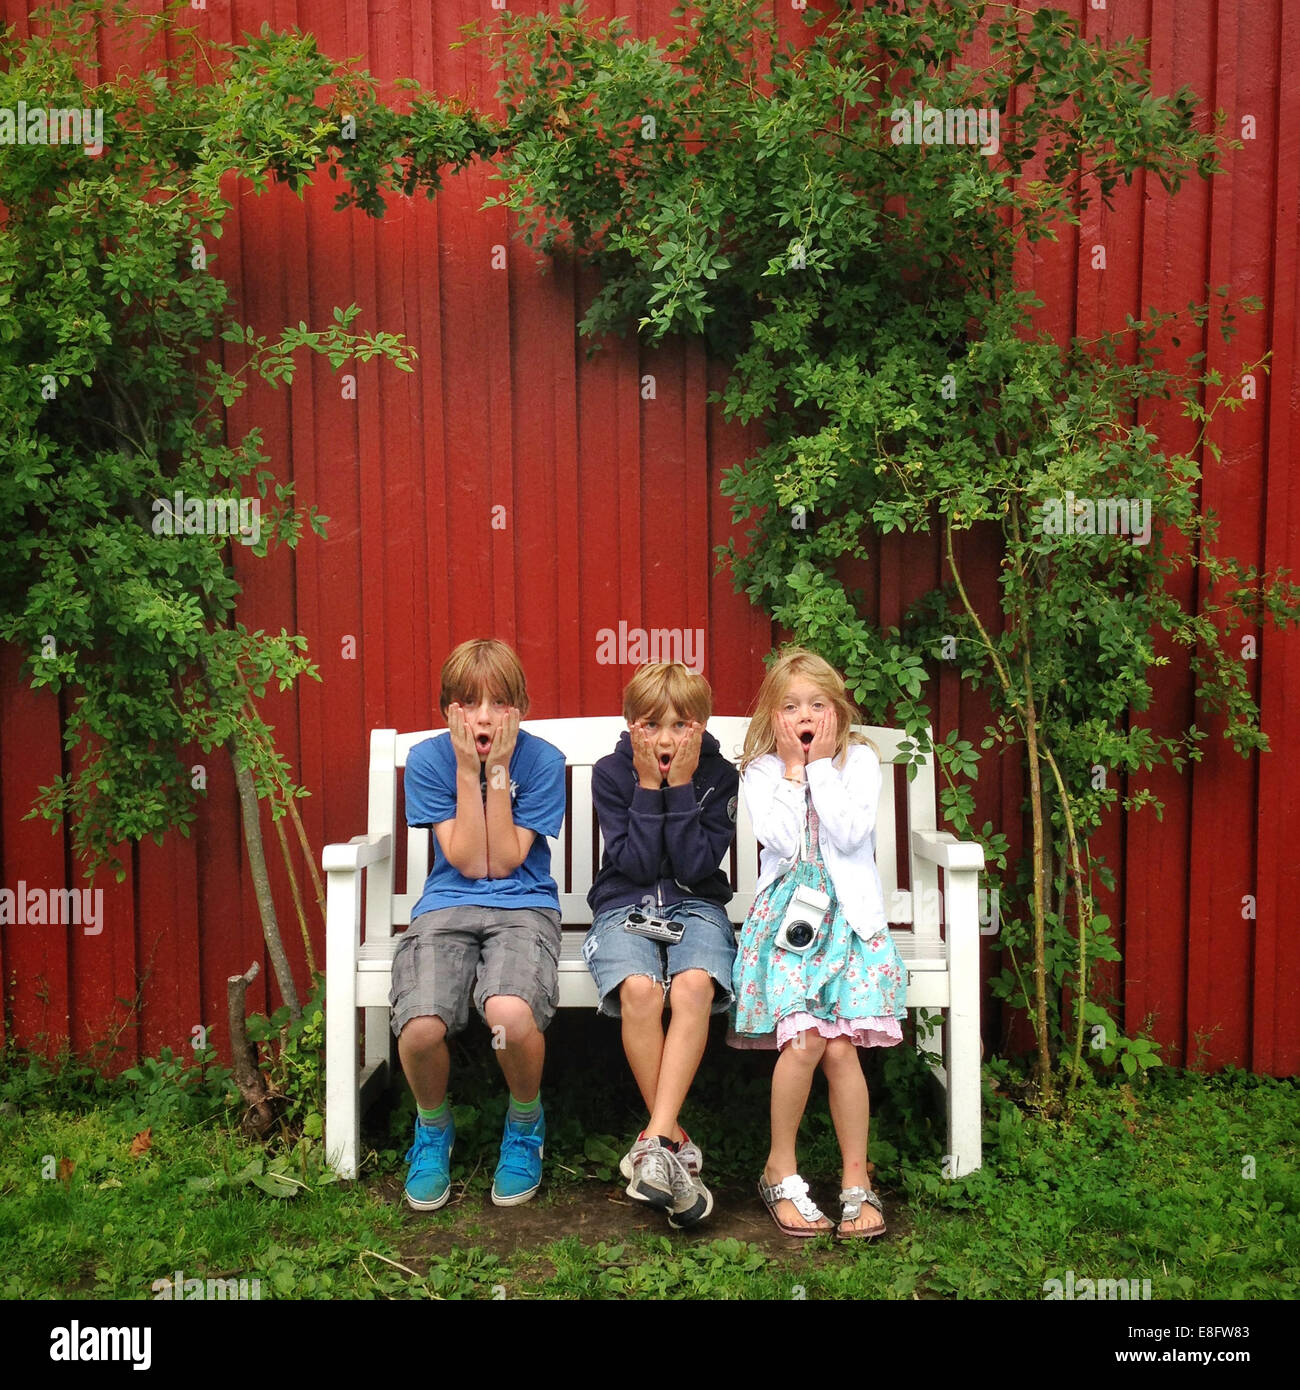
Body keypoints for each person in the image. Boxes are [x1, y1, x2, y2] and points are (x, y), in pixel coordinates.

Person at [729, 647, 905, 1240]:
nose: (805, 716)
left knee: (840, 1050)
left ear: (837, 710)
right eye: (791, 706)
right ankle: (781, 1169)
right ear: (772, 716)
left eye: (817, 704)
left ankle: (856, 1181)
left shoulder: (857, 762)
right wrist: (792, 771)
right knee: (804, 1042)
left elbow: (852, 833)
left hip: (848, 925)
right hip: (788, 927)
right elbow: (777, 839)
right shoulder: (761, 770)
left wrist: (824, 767)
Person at [391, 639, 566, 1211]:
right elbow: (468, 862)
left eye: (499, 701)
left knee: (509, 1017)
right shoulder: (429, 761)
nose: (484, 716)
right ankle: (433, 1129)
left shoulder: (541, 761)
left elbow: (503, 861)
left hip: (523, 907)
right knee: (419, 1027)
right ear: (447, 711)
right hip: (445, 907)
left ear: (521, 708)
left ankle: (523, 1125)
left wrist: (497, 773)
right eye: (468, 702)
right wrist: (470, 769)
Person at [585, 662, 740, 1228]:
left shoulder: (720, 775)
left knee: (694, 985)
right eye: (653, 724)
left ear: (702, 727)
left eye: (683, 724)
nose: (668, 738)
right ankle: (675, 1145)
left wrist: (680, 786)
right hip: (624, 906)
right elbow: (634, 863)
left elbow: (699, 866)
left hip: (696, 905)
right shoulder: (611, 773)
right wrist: (650, 786)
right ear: (631, 726)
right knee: (641, 990)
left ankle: (652, 1145)